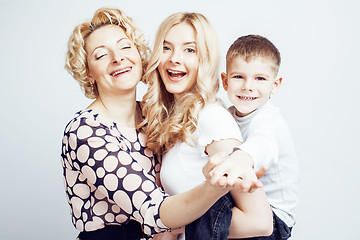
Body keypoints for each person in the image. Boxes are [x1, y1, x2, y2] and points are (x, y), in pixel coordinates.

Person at [61, 7, 248, 240]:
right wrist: (214, 186)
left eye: (125, 46)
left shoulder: (155, 116)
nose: (117, 58)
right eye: (101, 55)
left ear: (140, 55)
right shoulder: (85, 131)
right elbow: (153, 210)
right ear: (88, 72)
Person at [141, 12, 273, 240]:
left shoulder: (212, 119)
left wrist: (176, 225)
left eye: (189, 50)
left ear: (205, 59)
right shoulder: (178, 119)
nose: (175, 58)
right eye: (166, 48)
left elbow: (260, 222)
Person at [220, 34, 300, 239]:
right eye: (238, 76)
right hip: (246, 204)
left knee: (207, 217)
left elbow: (263, 143)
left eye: (260, 78)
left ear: (275, 84)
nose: (248, 86)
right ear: (225, 81)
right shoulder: (226, 116)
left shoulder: (269, 120)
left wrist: (241, 158)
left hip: (275, 218)